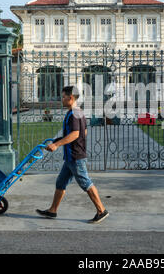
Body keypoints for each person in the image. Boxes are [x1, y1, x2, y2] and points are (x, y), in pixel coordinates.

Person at [36, 86, 109, 224]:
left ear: (71, 98)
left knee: (85, 182)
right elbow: (83, 132)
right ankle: (52, 210)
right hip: (71, 157)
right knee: (61, 182)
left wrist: (57, 145)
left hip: (75, 157)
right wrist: (59, 140)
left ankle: (101, 210)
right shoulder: (78, 112)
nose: (61, 99)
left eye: (63, 97)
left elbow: (75, 134)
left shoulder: (74, 113)